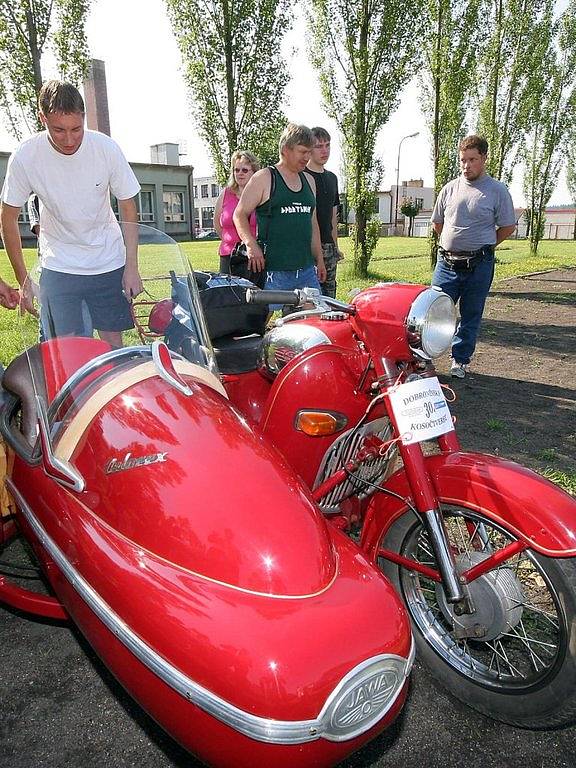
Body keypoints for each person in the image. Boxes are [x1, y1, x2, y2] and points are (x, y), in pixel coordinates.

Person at [0, 80, 142, 347]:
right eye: (59, 130)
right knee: (68, 350)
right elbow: (7, 218)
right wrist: (23, 279)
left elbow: (128, 205)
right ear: (42, 118)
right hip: (59, 264)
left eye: (76, 129)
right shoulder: (26, 156)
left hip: (107, 259)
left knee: (113, 345)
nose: (69, 139)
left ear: (84, 117)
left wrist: (131, 266)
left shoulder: (105, 148)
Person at [431, 135, 516, 378]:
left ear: (484, 159)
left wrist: (483, 246)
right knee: (434, 311)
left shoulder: (497, 191)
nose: (466, 165)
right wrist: (454, 242)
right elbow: (438, 223)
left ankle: (460, 360)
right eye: (463, 160)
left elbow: (507, 227)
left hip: (479, 265)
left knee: (471, 314)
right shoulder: (449, 189)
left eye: (472, 160)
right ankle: (424, 359)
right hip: (446, 264)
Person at [233, 123, 326, 298]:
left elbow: (312, 223)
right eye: (302, 151)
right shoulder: (264, 178)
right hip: (273, 271)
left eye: (309, 151)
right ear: (285, 150)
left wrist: (319, 259)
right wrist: (251, 245)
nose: (307, 157)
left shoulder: (309, 181)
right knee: (261, 323)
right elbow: (239, 214)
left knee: (311, 319)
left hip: (305, 270)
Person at [27, 193, 93, 340]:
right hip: (52, 272)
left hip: (81, 270)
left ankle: (82, 352)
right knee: (51, 328)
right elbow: (42, 233)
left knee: (83, 324)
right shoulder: (36, 198)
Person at [306, 127, 343, 298]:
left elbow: (333, 216)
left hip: (328, 247)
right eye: (319, 146)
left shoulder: (332, 178)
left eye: (327, 145)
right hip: (306, 248)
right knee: (307, 297)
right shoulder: (301, 176)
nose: (324, 150)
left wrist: (336, 247)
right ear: (309, 148)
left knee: (329, 297)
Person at [214, 150, 259, 275]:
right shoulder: (225, 194)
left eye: (245, 170)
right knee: (227, 293)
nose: (240, 173)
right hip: (227, 255)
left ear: (254, 172)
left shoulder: (260, 195)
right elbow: (217, 224)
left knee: (252, 293)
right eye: (236, 170)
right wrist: (228, 240)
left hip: (252, 257)